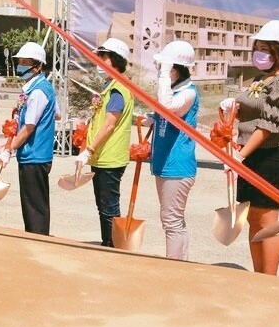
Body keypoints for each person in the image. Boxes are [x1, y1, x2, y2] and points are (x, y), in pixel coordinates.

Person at [219, 19, 279, 275]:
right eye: (258, 47)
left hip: (269, 157)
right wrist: (232, 108)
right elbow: (250, 113)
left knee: (267, 222)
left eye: (267, 49)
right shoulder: (260, 79)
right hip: (247, 156)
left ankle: (270, 278)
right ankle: (258, 276)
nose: (260, 53)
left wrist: (239, 156)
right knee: (253, 220)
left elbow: (268, 126)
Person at [76, 38, 134, 246]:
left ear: (116, 60)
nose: (99, 61)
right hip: (102, 156)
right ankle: (108, 243)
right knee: (103, 206)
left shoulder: (118, 90)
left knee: (109, 207)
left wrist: (89, 149)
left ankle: (113, 246)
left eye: (104, 57)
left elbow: (109, 124)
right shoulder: (109, 87)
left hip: (110, 157)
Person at [146, 41, 200, 260]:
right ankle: (180, 263)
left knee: (171, 221)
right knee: (173, 220)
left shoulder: (188, 93)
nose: (161, 71)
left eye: (166, 68)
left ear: (176, 68)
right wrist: (151, 119)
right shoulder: (176, 91)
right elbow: (164, 114)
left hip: (177, 167)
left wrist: (164, 75)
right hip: (165, 164)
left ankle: (173, 268)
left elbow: (168, 107)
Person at [0, 42, 56, 235]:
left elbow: (29, 128)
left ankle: (38, 241)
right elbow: (56, 114)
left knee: (35, 207)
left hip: (35, 155)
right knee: (32, 204)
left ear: (38, 66)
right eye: (19, 62)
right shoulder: (36, 87)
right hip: (32, 155)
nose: (20, 66)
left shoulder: (38, 91)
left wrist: (8, 150)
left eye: (25, 62)